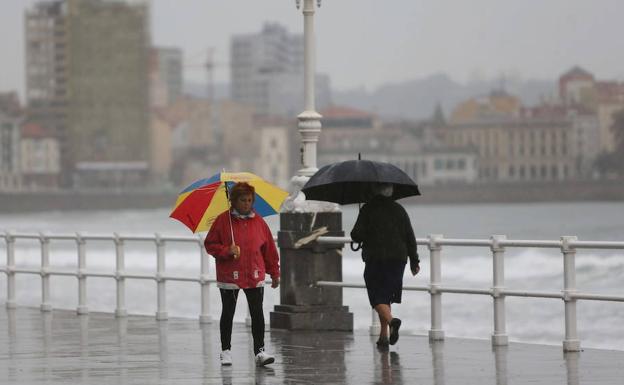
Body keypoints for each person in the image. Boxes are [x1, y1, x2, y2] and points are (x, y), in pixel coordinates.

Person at [204, 182, 280, 367]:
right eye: (242, 200)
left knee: (257, 313)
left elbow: (269, 249)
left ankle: (260, 351)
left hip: (254, 274)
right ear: (233, 201)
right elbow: (210, 244)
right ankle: (226, 351)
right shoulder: (223, 221)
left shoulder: (259, 221)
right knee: (228, 312)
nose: (247, 203)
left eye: (249, 200)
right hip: (230, 276)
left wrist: (274, 272)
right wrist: (226, 251)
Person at [350, 183, 420, 349]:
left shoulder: (368, 209)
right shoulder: (399, 210)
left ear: (373, 191)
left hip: (376, 258)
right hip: (398, 259)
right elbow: (410, 236)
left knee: (376, 297)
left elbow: (356, 234)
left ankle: (392, 322)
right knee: (386, 296)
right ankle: (383, 336)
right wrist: (414, 261)